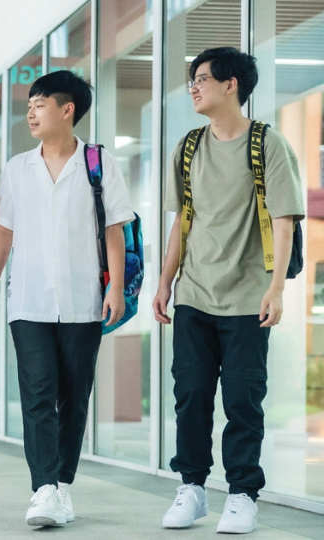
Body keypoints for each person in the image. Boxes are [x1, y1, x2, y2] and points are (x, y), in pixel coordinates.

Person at [154, 47, 304, 534]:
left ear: (230, 85)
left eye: (201, 78)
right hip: (194, 294)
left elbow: (283, 221)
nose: (193, 87)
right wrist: (164, 282)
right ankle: (192, 489)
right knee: (191, 395)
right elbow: (181, 221)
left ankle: (242, 494)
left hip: (247, 297)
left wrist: (277, 289)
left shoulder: (269, 144)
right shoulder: (189, 146)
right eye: (192, 79)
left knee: (242, 400)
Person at [0, 70, 133, 528]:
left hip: (84, 300)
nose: (30, 111)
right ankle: (43, 487)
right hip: (28, 301)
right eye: (29, 104)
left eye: (40, 103)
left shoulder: (99, 163)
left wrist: (116, 287)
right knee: (38, 394)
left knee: (74, 396)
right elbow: (3, 233)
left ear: (68, 110)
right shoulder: (17, 168)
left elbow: (113, 230)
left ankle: (61, 484)